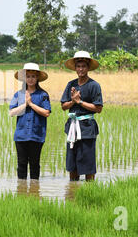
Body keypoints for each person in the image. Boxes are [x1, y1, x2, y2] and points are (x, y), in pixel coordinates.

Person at [60, 51, 103, 182]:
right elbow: (63, 106)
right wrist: (73, 101)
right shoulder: (70, 84)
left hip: (87, 129)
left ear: (88, 67)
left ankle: (90, 189)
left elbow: (98, 108)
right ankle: (72, 190)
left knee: (88, 163)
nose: (81, 69)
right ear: (75, 68)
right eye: (78, 66)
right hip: (72, 127)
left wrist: (80, 102)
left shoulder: (94, 85)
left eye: (83, 66)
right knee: (72, 163)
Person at [9, 63, 51, 180]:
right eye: (28, 76)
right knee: (21, 164)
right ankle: (21, 191)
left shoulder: (43, 95)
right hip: (21, 135)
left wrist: (31, 104)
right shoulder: (18, 94)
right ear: (24, 78)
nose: (30, 79)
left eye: (33, 76)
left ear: (37, 78)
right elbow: (12, 112)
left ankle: (34, 191)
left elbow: (46, 112)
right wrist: (25, 104)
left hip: (36, 135)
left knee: (34, 165)